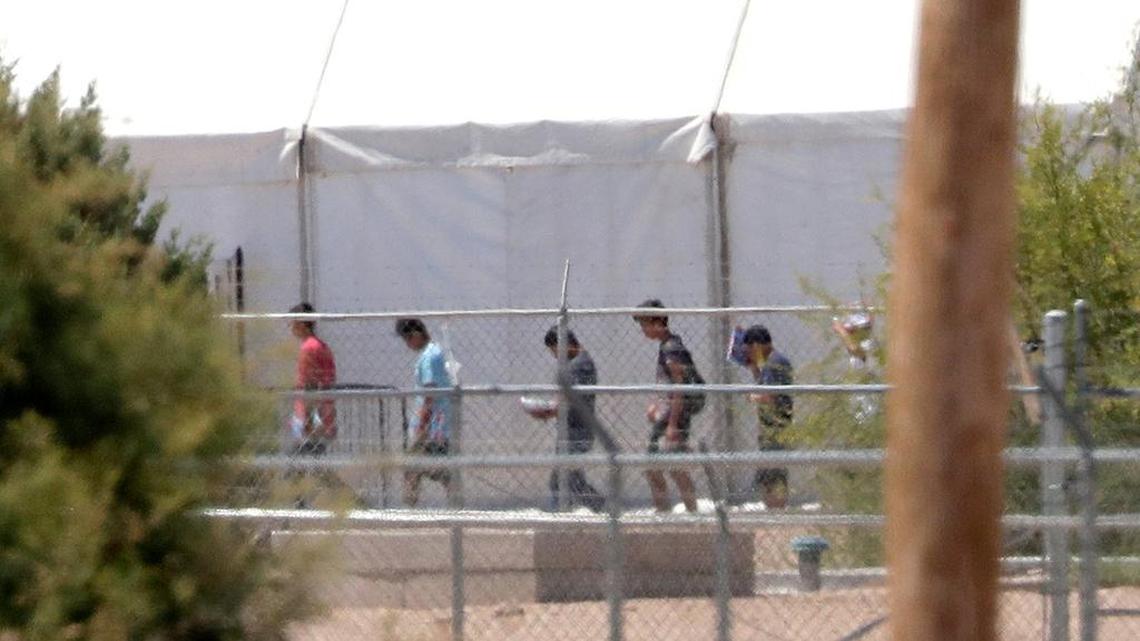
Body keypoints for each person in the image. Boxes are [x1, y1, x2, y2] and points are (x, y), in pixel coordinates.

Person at [522, 326, 605, 512]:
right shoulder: (579, 363)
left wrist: (545, 411)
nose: (555, 356)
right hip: (573, 429)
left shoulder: (579, 365)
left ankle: (601, 510)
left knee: (566, 480)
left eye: (555, 351)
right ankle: (570, 515)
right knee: (566, 479)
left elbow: (567, 401)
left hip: (577, 431)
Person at [633, 299, 704, 513]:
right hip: (669, 414)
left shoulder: (672, 348)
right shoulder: (668, 346)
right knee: (660, 466)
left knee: (671, 466)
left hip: (676, 415)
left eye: (645, 324)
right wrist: (657, 407)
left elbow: (679, 387)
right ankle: (668, 512)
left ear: (657, 323)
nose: (643, 330)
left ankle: (686, 513)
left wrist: (672, 425)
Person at [396, 318, 453, 506]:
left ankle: (409, 510)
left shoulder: (429, 357)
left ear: (416, 335)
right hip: (436, 424)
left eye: (407, 339)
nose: (407, 345)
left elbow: (430, 392)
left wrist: (422, 424)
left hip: (433, 425)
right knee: (436, 468)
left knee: (412, 466)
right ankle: (455, 504)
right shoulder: (433, 353)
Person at [740, 324, 793, 508]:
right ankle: (773, 509)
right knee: (768, 473)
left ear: (757, 345)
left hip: (776, 427)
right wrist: (754, 369)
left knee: (774, 473)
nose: (750, 355)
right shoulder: (770, 363)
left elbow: (769, 396)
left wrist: (751, 397)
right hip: (771, 427)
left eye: (750, 350)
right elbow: (765, 386)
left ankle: (776, 510)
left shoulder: (774, 363)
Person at [289, 302, 337, 456]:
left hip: (311, 414)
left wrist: (307, 419)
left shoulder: (308, 348)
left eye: (292, 322)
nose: (291, 328)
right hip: (324, 412)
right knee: (315, 463)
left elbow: (310, 384)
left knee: (299, 465)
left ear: (301, 324)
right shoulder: (322, 346)